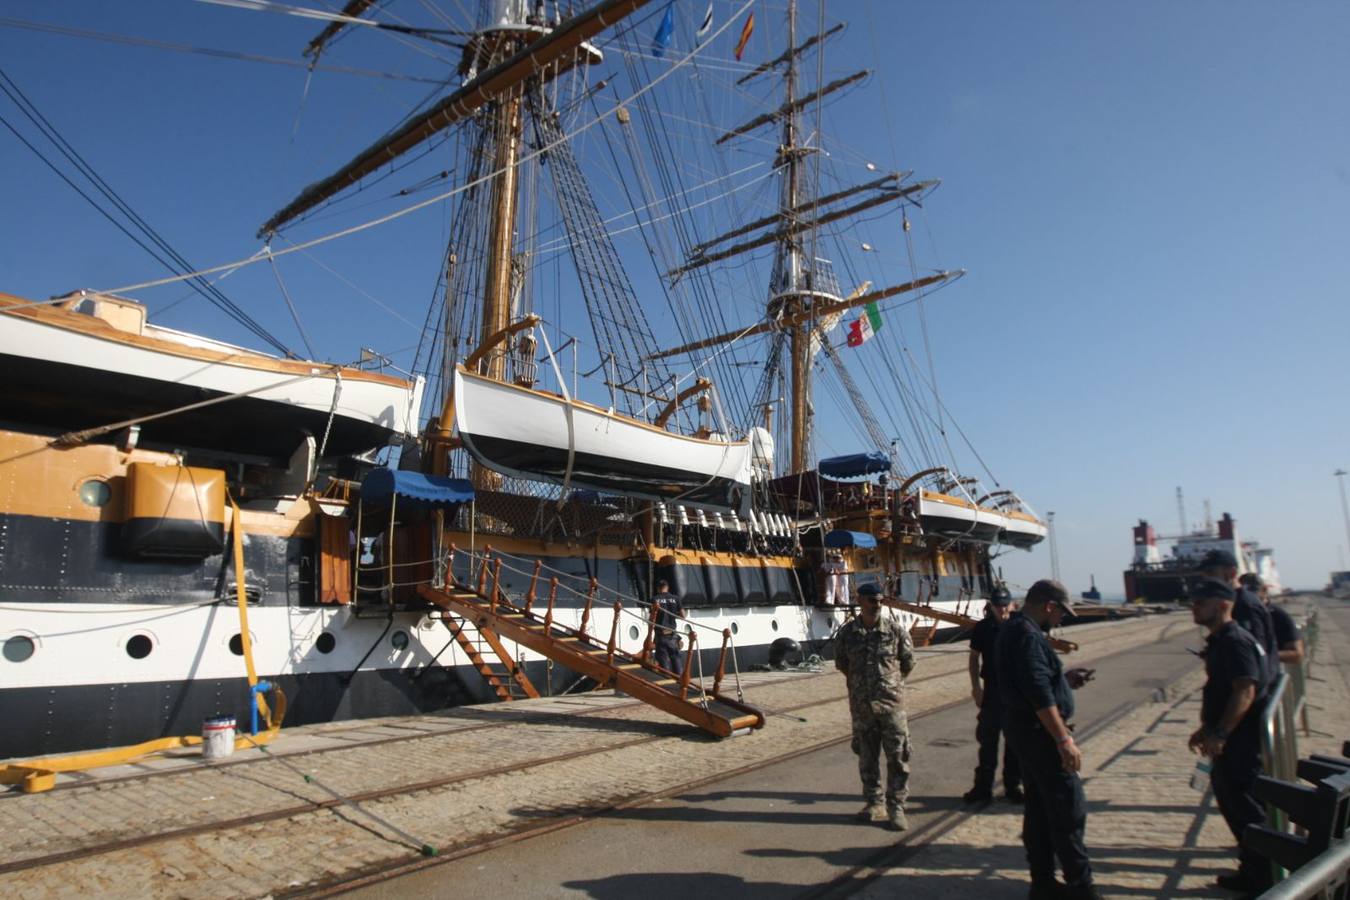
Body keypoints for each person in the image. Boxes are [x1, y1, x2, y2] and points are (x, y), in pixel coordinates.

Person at [996, 579, 1099, 900]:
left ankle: (1042, 883)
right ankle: (1081, 889)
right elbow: (1038, 694)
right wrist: (1063, 740)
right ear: (1048, 606)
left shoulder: (1014, 630)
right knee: (1068, 810)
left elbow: (1033, 681)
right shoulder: (1028, 636)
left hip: (1024, 733)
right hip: (1040, 736)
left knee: (1039, 810)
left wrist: (1064, 682)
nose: (1061, 621)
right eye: (1060, 614)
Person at [1187, 577, 1270, 895]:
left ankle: (1263, 878)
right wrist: (1207, 728)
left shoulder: (1235, 641)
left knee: (1247, 810)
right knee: (1235, 807)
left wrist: (1221, 733)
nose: (1194, 608)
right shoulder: (1223, 640)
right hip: (1230, 740)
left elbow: (1244, 690)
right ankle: (1251, 870)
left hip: (1241, 744)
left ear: (1223, 604)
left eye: (1200, 603)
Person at [835, 581, 916, 831]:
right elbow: (842, 664)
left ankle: (897, 807)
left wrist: (891, 685)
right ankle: (874, 803)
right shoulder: (847, 634)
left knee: (898, 758)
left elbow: (908, 662)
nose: (877, 605)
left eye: (880, 601)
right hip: (862, 708)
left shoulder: (895, 631)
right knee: (867, 759)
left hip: (891, 706)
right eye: (872, 601)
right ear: (860, 601)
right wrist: (862, 687)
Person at [964, 584, 1023, 805]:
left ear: (1011, 604)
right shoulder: (983, 628)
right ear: (992, 606)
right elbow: (973, 658)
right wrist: (975, 687)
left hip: (1015, 693)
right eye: (998, 606)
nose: (1002, 610)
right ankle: (983, 787)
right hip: (992, 692)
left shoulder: (1019, 626)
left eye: (1005, 605)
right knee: (987, 743)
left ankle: (1013, 786)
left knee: (1014, 743)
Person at [1199, 550, 1277, 688]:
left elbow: (1253, 652)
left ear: (1232, 573)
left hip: (1248, 691)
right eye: (1204, 574)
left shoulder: (1244, 604)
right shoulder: (1233, 601)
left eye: (1211, 573)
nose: (1207, 579)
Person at [1241, 573, 1305, 666]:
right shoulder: (1238, 613)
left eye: (1253, 594)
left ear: (1264, 590)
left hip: (1268, 672)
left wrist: (1263, 656)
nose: (1249, 598)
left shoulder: (1278, 616)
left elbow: (1297, 654)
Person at [650, 580, 685, 676]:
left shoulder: (655, 599)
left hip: (660, 635)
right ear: (667, 587)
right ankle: (681, 683)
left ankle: (667, 684)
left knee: (663, 662)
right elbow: (683, 615)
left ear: (658, 588)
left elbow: (651, 618)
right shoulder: (676, 598)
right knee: (676, 659)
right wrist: (673, 614)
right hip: (673, 635)